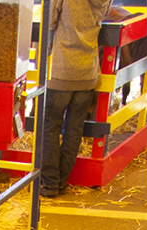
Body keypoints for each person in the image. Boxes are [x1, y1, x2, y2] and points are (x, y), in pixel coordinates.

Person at [39, 0, 113, 197]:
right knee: (74, 128)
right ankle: (61, 181)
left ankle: (50, 182)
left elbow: (50, 20)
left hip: (62, 68)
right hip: (88, 70)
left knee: (50, 124)